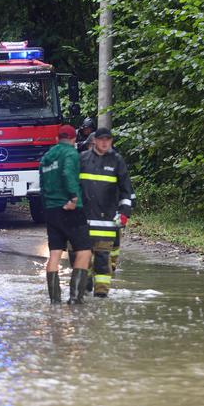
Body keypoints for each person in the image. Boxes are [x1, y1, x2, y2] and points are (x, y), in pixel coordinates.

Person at [39, 125, 92, 305]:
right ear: (73, 139)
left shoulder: (46, 158)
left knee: (54, 253)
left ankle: (55, 299)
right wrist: (74, 197)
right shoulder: (70, 153)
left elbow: (42, 185)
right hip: (70, 209)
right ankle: (75, 298)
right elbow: (68, 173)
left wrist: (47, 206)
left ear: (56, 139)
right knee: (84, 251)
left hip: (51, 209)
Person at [79, 127, 134, 297]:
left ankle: (102, 296)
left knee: (103, 259)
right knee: (82, 258)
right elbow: (72, 186)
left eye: (108, 139)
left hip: (107, 221)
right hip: (83, 220)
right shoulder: (83, 159)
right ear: (94, 140)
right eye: (101, 139)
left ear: (111, 141)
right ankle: (85, 286)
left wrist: (124, 213)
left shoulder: (117, 161)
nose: (104, 142)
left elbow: (127, 191)